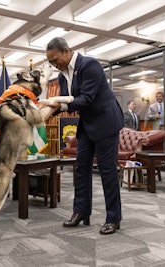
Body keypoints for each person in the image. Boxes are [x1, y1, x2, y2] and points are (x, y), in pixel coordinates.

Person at [43, 37, 124, 235]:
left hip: (105, 122)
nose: (54, 65)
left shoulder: (89, 64)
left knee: (107, 171)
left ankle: (113, 218)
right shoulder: (62, 77)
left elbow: (86, 99)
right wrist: (44, 114)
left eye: (55, 60)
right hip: (87, 124)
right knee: (81, 169)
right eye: (50, 62)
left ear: (66, 51)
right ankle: (81, 212)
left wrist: (56, 105)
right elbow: (66, 105)